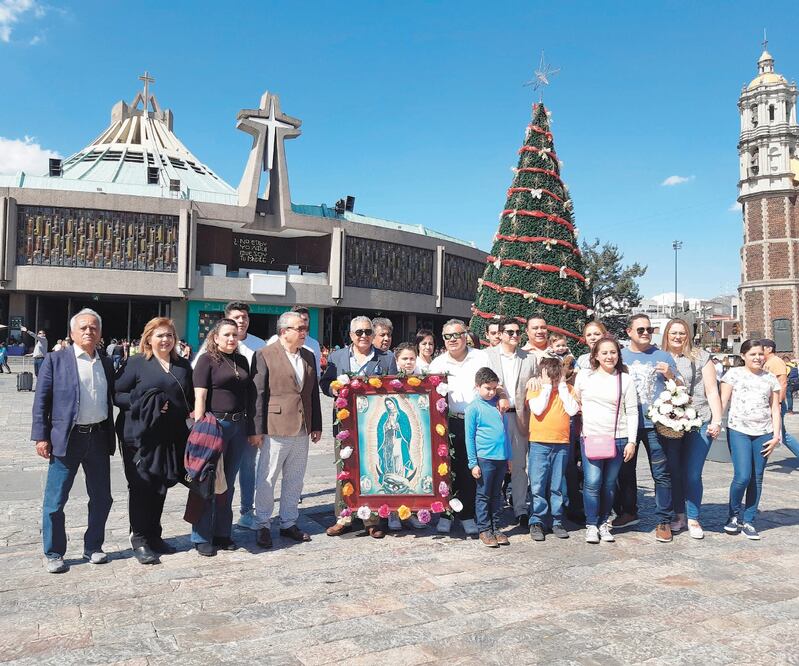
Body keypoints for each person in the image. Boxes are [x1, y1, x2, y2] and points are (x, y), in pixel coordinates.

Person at [32, 309, 115, 574]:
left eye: (93, 327)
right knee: (55, 500)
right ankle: (54, 552)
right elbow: (41, 400)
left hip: (98, 437)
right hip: (67, 439)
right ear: (72, 332)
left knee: (102, 498)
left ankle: (93, 546)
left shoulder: (106, 362)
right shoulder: (56, 360)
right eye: (83, 327)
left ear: (100, 333)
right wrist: (41, 436)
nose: (89, 331)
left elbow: (117, 395)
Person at [114, 317, 194, 564]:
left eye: (169, 335)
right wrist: (146, 403)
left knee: (160, 484)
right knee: (142, 485)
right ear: (148, 338)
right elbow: (117, 394)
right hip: (139, 435)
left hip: (170, 435)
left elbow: (190, 397)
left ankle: (154, 535)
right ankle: (139, 538)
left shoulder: (182, 365)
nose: (165, 340)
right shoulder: (137, 363)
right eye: (160, 335)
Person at [321, 316, 398, 538]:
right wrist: (333, 389)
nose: (364, 336)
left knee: (372, 468)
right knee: (345, 470)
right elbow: (325, 382)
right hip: (345, 423)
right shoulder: (337, 357)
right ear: (350, 335)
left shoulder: (386, 358)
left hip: (374, 424)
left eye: (368, 332)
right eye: (359, 332)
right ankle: (343, 517)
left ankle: (371, 520)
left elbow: (394, 387)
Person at [252, 311, 322, 549]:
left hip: (302, 427)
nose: (304, 333)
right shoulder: (265, 354)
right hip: (275, 426)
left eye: (305, 328)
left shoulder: (308, 355)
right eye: (299, 329)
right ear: (284, 331)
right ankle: (262, 524)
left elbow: (312, 394)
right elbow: (258, 394)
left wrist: (316, 424)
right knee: (267, 478)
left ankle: (289, 522)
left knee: (295, 479)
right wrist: (256, 429)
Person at [195, 302, 266, 531]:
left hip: (239, 425)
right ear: (216, 337)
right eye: (227, 334)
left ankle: (223, 531)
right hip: (215, 425)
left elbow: (251, 393)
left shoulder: (243, 359)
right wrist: (199, 428)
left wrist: (253, 425)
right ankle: (202, 535)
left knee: (228, 480)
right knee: (209, 479)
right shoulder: (206, 359)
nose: (231, 338)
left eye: (234, 335)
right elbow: (199, 396)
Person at [615, 313, 680, 543]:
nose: (645, 333)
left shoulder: (662, 355)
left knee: (661, 472)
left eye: (649, 330)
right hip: (627, 423)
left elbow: (679, 386)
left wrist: (670, 375)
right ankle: (628, 512)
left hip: (656, 424)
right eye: (640, 329)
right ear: (629, 332)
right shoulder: (620, 356)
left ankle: (663, 520)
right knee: (625, 471)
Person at [661, 319, 723, 539]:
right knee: (675, 471)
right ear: (666, 335)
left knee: (693, 473)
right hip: (670, 422)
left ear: (688, 335)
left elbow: (712, 391)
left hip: (699, 419)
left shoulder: (701, 357)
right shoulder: (660, 356)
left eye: (682, 333)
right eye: (673, 333)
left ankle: (694, 517)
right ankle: (679, 515)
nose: (678, 337)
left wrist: (717, 420)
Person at [429, 319, 491, 536]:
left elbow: (492, 386)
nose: (452, 340)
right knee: (446, 469)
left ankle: (467, 514)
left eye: (456, 335)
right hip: (447, 422)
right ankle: (446, 513)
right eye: (447, 336)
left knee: (470, 469)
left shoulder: (481, 358)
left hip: (476, 421)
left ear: (465, 335)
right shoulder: (437, 364)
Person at [574, 336, 638, 544]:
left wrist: (632, 441)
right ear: (595, 356)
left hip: (618, 437)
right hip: (592, 436)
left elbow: (632, 412)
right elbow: (575, 400)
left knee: (609, 483)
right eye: (604, 353)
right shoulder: (584, 376)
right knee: (592, 482)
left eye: (613, 352)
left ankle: (604, 522)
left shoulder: (625, 379)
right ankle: (591, 524)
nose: (609, 356)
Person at [720, 339, 782, 540]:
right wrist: (716, 422)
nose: (757, 358)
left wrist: (776, 435)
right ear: (743, 356)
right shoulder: (733, 374)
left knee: (757, 477)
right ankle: (733, 515)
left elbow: (775, 408)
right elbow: (723, 401)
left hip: (764, 432)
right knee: (742, 476)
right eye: (753, 354)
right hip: (739, 430)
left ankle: (749, 520)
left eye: (760, 354)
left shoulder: (770, 378)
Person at [485, 316, 537, 525]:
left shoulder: (529, 358)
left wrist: (535, 380)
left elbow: (537, 381)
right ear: (500, 334)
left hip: (519, 416)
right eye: (510, 332)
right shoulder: (487, 356)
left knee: (519, 466)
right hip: (494, 417)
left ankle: (520, 509)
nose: (515, 335)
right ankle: (493, 509)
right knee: (494, 465)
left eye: (517, 332)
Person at [526, 357, 580, 541]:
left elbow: (572, 410)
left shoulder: (568, 389)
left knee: (556, 485)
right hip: (539, 442)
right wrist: (547, 387)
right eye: (550, 376)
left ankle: (557, 520)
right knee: (538, 484)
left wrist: (562, 386)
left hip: (561, 443)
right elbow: (537, 409)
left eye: (557, 376)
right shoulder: (536, 389)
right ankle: (537, 520)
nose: (554, 380)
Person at [466, 367, 511, 548]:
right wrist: (473, 463)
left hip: (501, 458)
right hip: (484, 458)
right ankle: (484, 528)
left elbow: (505, 433)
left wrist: (509, 457)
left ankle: (496, 527)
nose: (491, 392)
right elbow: (469, 437)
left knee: (496, 494)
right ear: (477, 386)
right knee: (483, 494)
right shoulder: (473, 408)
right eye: (487, 388)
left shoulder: (499, 405)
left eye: (494, 388)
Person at [761, 339, 799, 459]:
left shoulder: (776, 362)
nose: (759, 350)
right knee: (779, 433)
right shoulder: (767, 362)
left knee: (783, 434)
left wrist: (779, 402)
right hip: (770, 402)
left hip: (776, 403)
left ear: (769, 349)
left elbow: (782, 383)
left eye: (762, 347)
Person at [266, 305, 322, 378]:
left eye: (305, 319)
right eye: (299, 319)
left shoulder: (314, 344)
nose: (303, 323)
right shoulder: (275, 340)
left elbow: (316, 374)